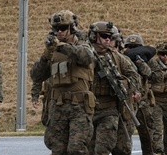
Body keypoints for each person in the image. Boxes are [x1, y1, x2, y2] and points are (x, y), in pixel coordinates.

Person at [30, 10, 96, 155]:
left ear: (72, 28)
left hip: (79, 107)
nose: (59, 32)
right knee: (57, 149)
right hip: (57, 107)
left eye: (63, 28)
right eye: (56, 29)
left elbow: (86, 58)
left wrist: (61, 46)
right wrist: (45, 56)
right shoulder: (52, 52)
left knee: (76, 149)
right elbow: (36, 75)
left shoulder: (83, 45)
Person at [87, 21, 142, 155]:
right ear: (94, 37)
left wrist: (123, 84)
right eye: (104, 36)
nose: (108, 39)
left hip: (109, 109)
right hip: (87, 109)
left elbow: (134, 76)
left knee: (103, 149)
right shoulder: (84, 54)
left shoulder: (118, 58)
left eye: (110, 37)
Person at [123, 34, 157, 155]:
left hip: (143, 101)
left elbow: (149, 74)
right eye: (130, 47)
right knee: (126, 134)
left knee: (147, 134)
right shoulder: (122, 59)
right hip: (128, 101)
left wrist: (140, 62)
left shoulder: (146, 60)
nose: (132, 50)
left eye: (136, 47)